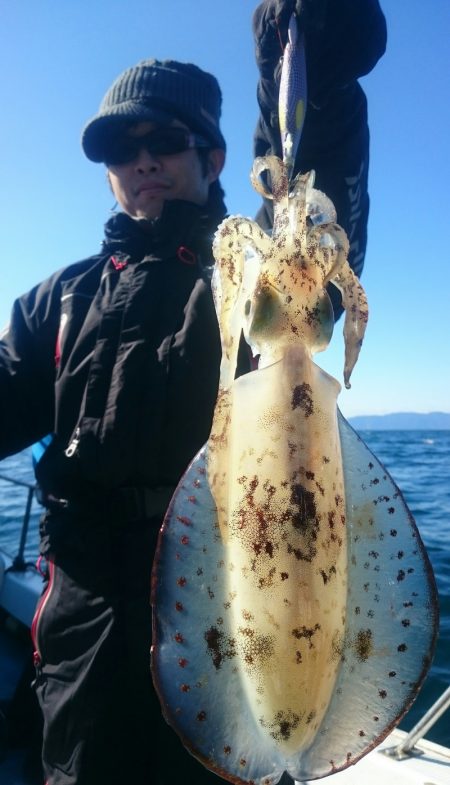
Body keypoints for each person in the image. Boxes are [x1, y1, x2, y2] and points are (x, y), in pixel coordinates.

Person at [0, 2, 386, 784]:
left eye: (164, 140)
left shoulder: (252, 282)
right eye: (120, 146)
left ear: (212, 159)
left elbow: (309, 200)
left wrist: (315, 57)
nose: (141, 160)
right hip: (84, 619)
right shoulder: (59, 301)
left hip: (233, 600)